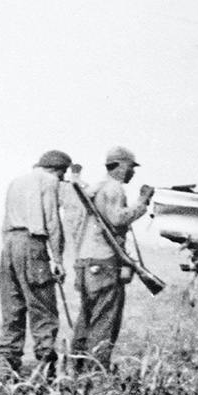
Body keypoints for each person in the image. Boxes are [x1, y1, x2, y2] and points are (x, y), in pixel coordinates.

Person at [70, 146, 154, 370]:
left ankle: (76, 370)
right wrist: (142, 201)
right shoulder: (114, 188)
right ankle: (96, 373)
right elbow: (118, 219)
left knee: (86, 318)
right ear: (120, 165)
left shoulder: (94, 189)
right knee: (105, 320)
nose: (132, 172)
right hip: (105, 262)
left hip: (86, 262)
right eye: (130, 167)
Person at [0, 150, 71, 375]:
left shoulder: (16, 181)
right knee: (42, 306)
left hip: (9, 244)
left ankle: (7, 366)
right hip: (32, 244)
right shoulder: (49, 181)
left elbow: (5, 221)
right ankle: (45, 366)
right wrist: (57, 259)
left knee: (12, 307)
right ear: (59, 170)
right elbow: (52, 221)